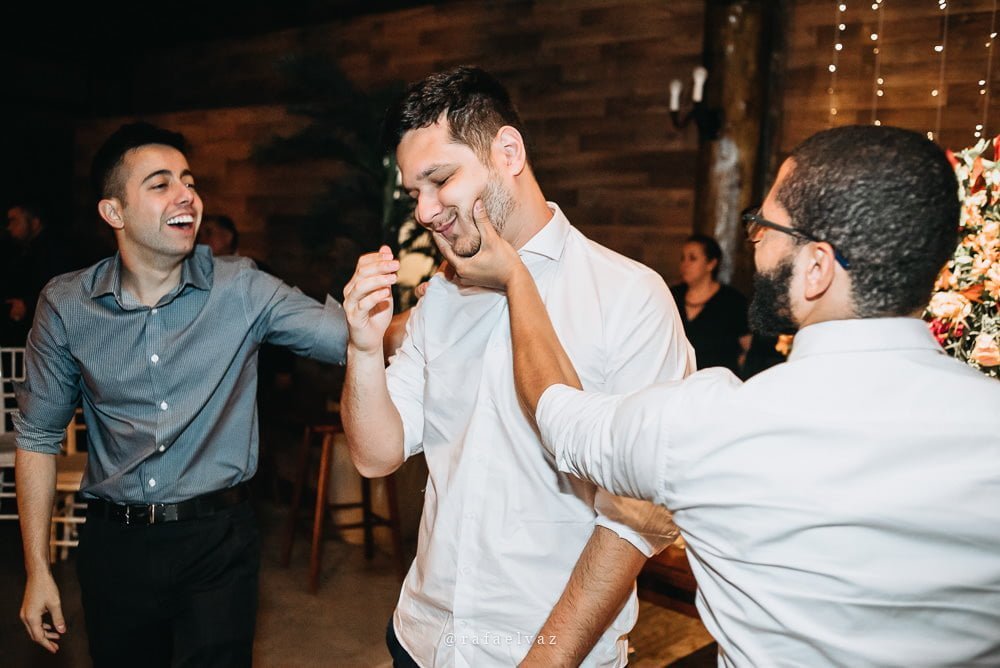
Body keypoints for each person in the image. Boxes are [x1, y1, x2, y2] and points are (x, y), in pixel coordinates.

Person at [443, 125, 1000, 666]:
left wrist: (516, 278)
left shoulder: (714, 425)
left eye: (763, 226)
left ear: (816, 267)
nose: (754, 243)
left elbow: (559, 414)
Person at [342, 66, 693, 667]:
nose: (424, 211)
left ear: (508, 152)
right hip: (421, 641)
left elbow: (642, 514)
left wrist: (547, 658)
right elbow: (376, 455)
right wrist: (363, 348)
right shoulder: (440, 297)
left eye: (440, 180)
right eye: (413, 193)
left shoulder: (629, 296)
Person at [14, 122, 350, 666]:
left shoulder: (241, 287)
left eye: (189, 181)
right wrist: (37, 570)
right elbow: (37, 437)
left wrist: (451, 300)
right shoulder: (68, 304)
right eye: (161, 183)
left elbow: (348, 338)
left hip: (218, 542)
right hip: (115, 546)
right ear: (114, 212)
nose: (186, 195)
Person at [670, 233, 750, 373]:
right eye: (683, 258)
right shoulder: (672, 295)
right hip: (679, 381)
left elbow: (747, 348)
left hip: (718, 382)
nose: (685, 264)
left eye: (692, 258)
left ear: (711, 264)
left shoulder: (732, 301)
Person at [1, 202, 73, 345]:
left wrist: (27, 305)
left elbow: (59, 289)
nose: (10, 227)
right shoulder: (22, 250)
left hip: (46, 332)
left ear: (34, 222)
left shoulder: (50, 251)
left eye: (15, 221)